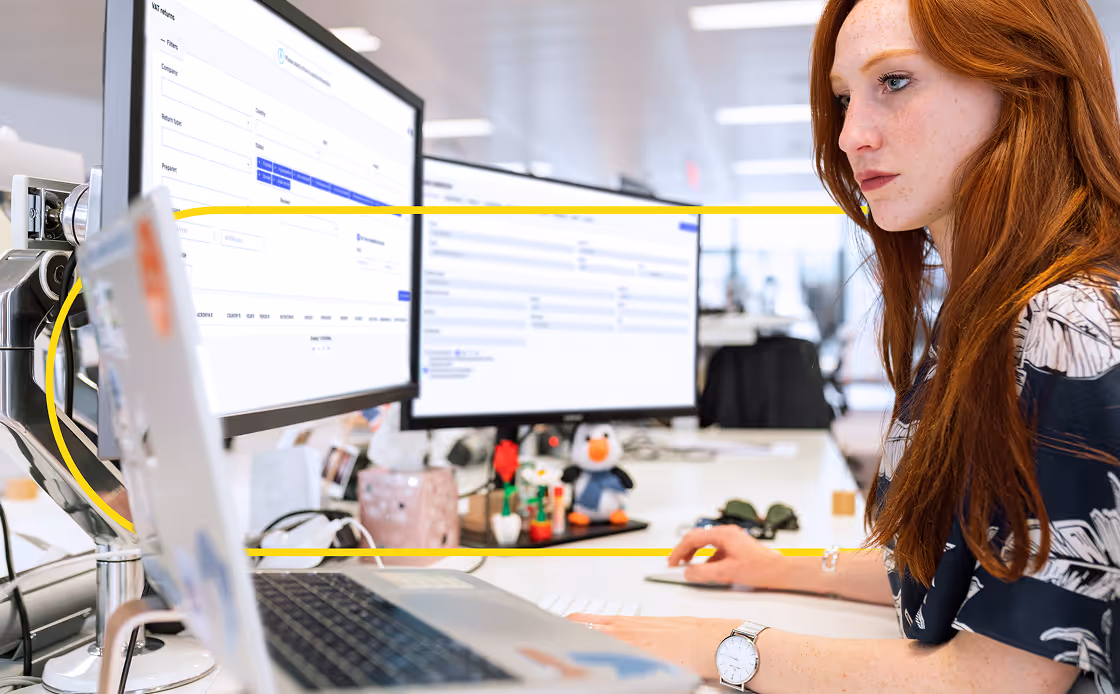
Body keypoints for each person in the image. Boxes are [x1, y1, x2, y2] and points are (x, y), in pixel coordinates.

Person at [570, 0, 1120, 691]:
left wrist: (725, 647)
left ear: (1025, 84)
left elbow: (999, 679)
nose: (850, 135)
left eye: (895, 81)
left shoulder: (1069, 324)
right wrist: (778, 568)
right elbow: (962, 567)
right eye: (843, 98)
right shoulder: (989, 311)